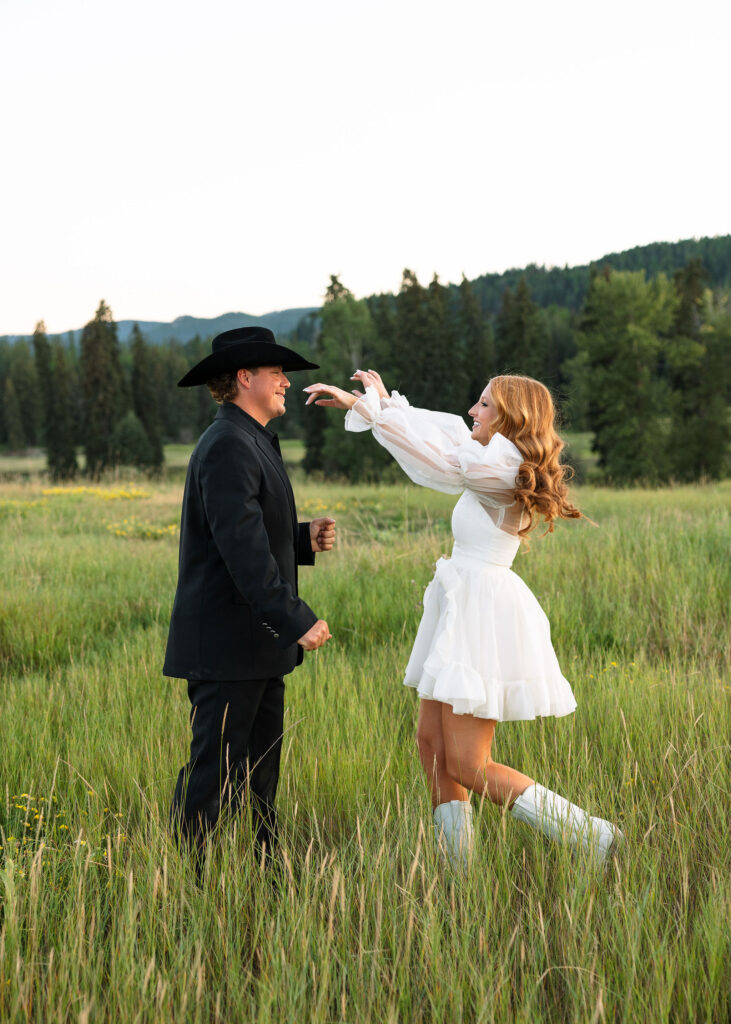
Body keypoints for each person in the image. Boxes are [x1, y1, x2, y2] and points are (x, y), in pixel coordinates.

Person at [304, 369, 623, 867]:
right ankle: (457, 870)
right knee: (431, 745)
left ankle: (593, 837)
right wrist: (384, 403)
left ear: (511, 419)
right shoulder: (490, 456)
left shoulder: (502, 468)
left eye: (484, 406)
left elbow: (437, 460)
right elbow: (448, 435)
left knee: (470, 764)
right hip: (464, 602)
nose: (472, 412)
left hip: (482, 615)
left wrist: (363, 409)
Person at [164, 326, 335, 862]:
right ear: (245, 378)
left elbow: (251, 530)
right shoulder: (227, 446)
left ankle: (265, 875)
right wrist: (295, 617)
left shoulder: (250, 439)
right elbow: (241, 552)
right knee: (212, 774)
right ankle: (186, 886)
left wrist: (302, 537)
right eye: (276, 371)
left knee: (260, 778)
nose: (286, 381)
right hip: (227, 648)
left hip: (256, 649)